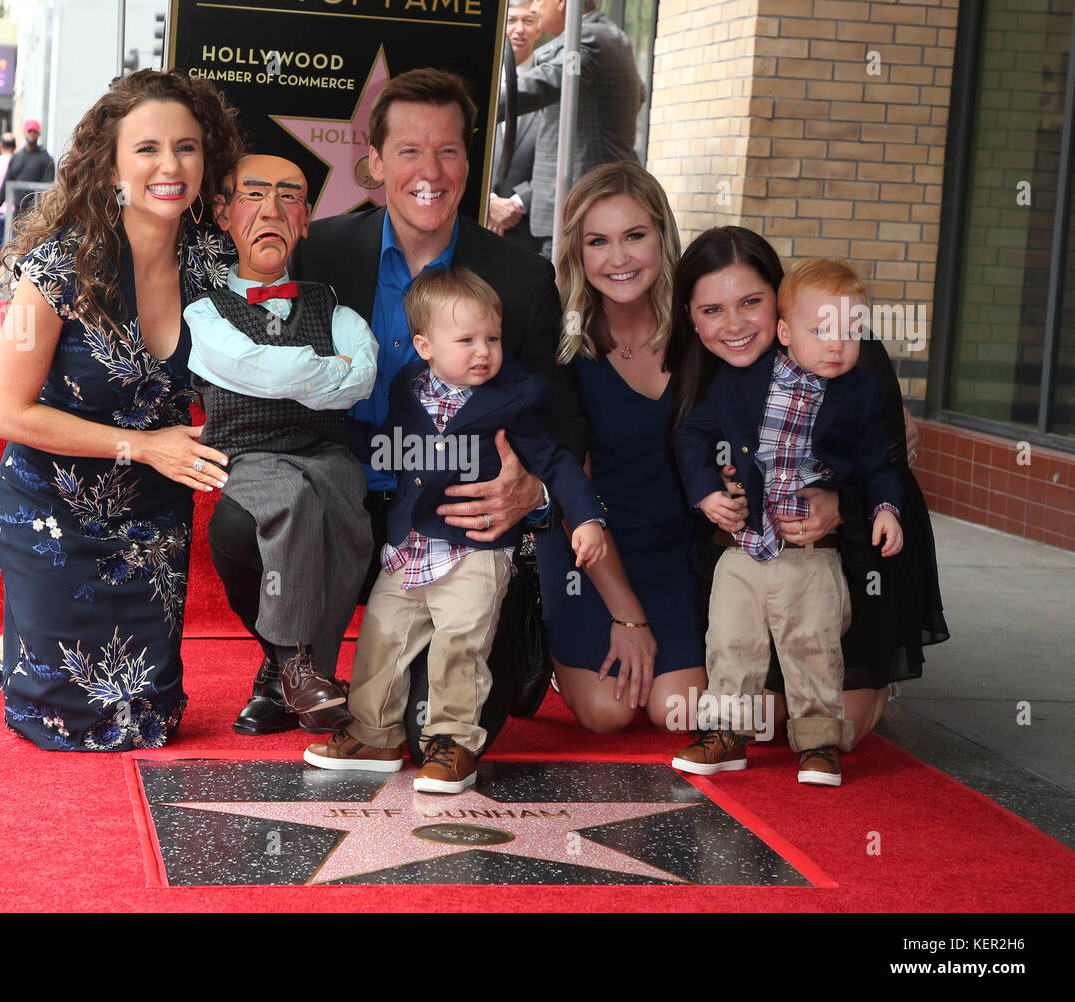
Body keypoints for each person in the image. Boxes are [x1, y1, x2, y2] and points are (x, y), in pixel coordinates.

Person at [207, 67, 589, 745]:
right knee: (240, 520)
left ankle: (432, 666)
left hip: (455, 519)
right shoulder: (317, 250)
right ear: (376, 162)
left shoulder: (521, 279)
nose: (430, 171)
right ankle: (289, 662)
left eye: (448, 151)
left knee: (425, 736)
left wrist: (532, 493)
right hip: (340, 496)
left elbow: (560, 421)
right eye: (409, 151)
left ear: (468, 165)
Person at [0, 69, 243, 751]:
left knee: (149, 721)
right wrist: (149, 444)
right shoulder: (55, 270)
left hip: (153, 517)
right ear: (112, 168)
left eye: (187, 148)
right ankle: (17, 649)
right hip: (50, 509)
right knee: (71, 724)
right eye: (147, 149)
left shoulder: (215, 260)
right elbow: (3, 412)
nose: (170, 166)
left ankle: (17, 642)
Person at [305, 267, 606, 793]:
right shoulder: (407, 388)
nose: (483, 351)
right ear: (424, 345)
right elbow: (391, 445)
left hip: (477, 550)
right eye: (465, 340)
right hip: (412, 545)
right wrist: (333, 430)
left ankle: (454, 742)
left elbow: (555, 461)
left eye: (491, 337)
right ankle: (374, 733)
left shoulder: (515, 398)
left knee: (461, 644)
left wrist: (584, 516)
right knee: (382, 637)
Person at [664, 226, 949, 749]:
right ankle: (735, 723)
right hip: (751, 558)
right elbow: (691, 446)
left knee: (825, 713)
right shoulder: (714, 374)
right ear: (689, 314)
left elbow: (887, 475)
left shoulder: (854, 366)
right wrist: (713, 486)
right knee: (722, 683)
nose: (734, 324)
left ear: (779, 304)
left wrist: (843, 504)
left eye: (750, 302)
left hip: (852, 558)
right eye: (712, 310)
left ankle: (859, 693)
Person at [183, 153, 377, 732]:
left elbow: (360, 379)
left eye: (289, 196)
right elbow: (248, 366)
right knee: (291, 500)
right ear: (222, 214)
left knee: (349, 519)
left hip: (327, 454)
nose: (272, 209)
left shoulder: (332, 305)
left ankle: (293, 675)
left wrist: (289, 373)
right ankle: (294, 661)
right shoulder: (205, 310)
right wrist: (320, 370)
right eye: (254, 195)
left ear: (307, 218)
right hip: (250, 458)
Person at [535, 161, 700, 734]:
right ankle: (550, 646)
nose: (620, 258)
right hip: (586, 548)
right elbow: (569, 487)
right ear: (578, 253)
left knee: (680, 714)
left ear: (663, 235)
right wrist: (627, 617)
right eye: (597, 241)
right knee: (607, 715)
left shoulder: (701, 328)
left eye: (635, 236)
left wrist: (886, 412)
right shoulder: (563, 342)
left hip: (673, 550)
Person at [505, 0, 644, 259]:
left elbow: (536, 88)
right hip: (590, 205)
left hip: (575, 210)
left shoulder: (587, 38)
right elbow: (641, 95)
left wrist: (469, 101)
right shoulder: (615, 36)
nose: (533, 8)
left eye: (538, 0)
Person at [487, 0, 541, 251]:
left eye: (528, 21)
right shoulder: (480, 79)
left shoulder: (552, 84)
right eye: (511, 20)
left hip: (528, 233)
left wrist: (518, 202)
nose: (519, 29)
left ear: (539, 29)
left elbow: (561, 156)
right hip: (477, 223)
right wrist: (489, 201)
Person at [0, 118, 56, 221]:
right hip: (17, 212)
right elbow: (7, 182)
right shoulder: (16, 157)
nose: (32, 134)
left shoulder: (46, 158)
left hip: (36, 214)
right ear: (24, 132)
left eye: (35, 132)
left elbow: (48, 187)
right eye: (29, 131)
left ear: (38, 134)